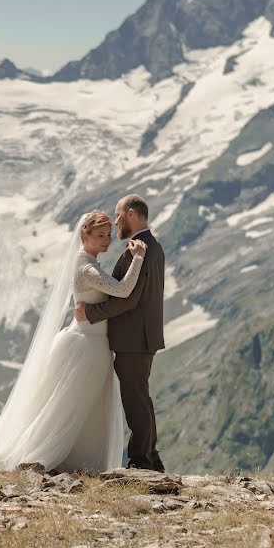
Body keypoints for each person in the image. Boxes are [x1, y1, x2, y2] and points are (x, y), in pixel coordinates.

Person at [0, 210, 147, 473]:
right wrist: (138, 259)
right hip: (87, 346)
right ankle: (50, 458)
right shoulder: (87, 268)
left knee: (83, 406)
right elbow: (123, 290)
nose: (107, 240)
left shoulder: (88, 262)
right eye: (100, 236)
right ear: (84, 235)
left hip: (91, 342)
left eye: (109, 235)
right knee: (71, 406)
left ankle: (79, 461)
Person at [75, 194, 165, 472]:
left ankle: (142, 460)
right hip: (141, 337)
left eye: (117, 215)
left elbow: (128, 298)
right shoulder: (152, 245)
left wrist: (91, 313)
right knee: (140, 397)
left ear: (131, 214)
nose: (115, 223)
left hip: (134, 339)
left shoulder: (140, 249)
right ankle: (150, 456)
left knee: (135, 399)